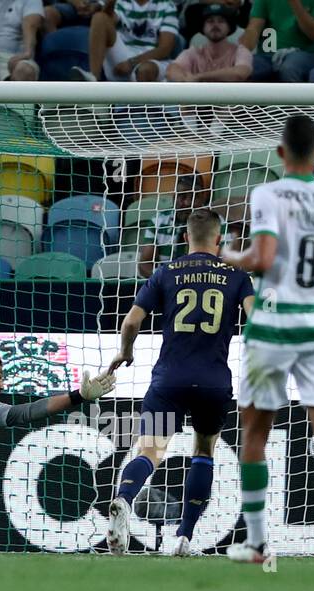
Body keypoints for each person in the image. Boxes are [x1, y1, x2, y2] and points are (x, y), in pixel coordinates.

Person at [221, 115, 314, 565]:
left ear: (281, 153)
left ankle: (257, 542)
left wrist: (231, 255)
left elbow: (264, 257)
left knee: (255, 433)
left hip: (273, 322)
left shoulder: (268, 193)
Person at [104, 208, 254, 556]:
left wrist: (125, 353)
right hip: (214, 383)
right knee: (204, 451)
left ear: (186, 237)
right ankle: (183, 538)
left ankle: (124, 500)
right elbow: (258, 318)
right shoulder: (237, 275)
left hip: (168, 382)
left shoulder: (166, 272)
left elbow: (130, 323)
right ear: (220, 239)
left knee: (151, 450)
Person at [73, 0, 180, 82]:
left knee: (146, 70)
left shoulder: (167, 6)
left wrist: (132, 63)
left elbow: (165, 48)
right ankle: (93, 80)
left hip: (150, 59)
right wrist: (110, 3)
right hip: (122, 55)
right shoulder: (122, 2)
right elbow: (107, 20)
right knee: (99, 18)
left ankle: (139, 109)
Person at [240, 0, 314, 84]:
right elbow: (254, 28)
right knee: (246, 68)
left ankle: (297, 100)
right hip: (267, 54)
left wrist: (295, 3)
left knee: (289, 68)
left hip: (305, 53)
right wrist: (242, 55)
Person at [166, 5, 252, 83]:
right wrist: (184, 78)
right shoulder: (193, 52)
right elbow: (171, 71)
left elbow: (240, 73)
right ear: (203, 27)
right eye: (210, 21)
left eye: (221, 21)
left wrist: (199, 77)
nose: (215, 25)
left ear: (229, 27)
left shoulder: (240, 51)